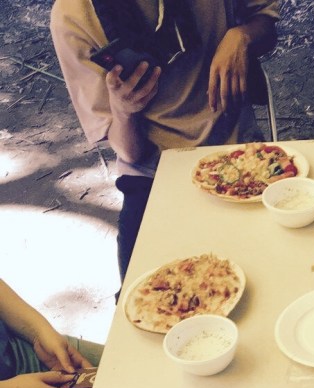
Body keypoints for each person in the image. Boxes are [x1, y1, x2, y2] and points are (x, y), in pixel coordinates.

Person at [51, 1, 280, 281]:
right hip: (153, 172)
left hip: (237, 151)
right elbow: (131, 153)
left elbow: (266, 25)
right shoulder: (73, 15)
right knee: (143, 294)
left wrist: (242, 36)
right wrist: (123, 111)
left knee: (274, 275)